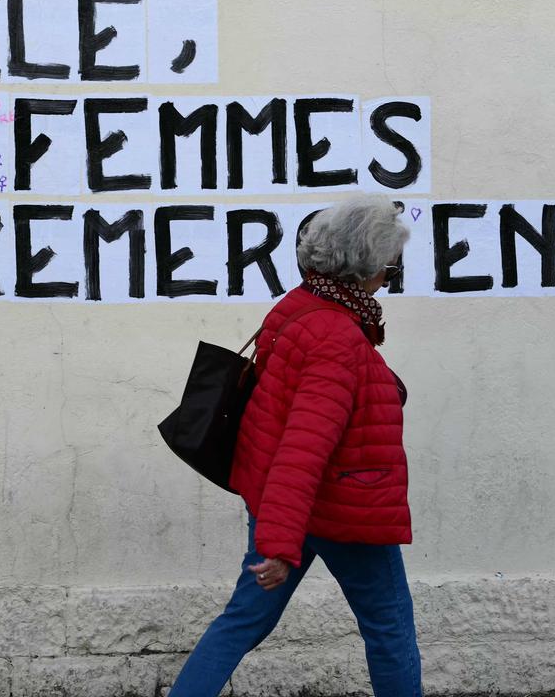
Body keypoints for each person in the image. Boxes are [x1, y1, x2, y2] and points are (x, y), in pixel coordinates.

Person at [170, 195, 421, 696]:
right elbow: (303, 445)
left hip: (280, 501)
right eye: (390, 267)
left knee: (243, 620)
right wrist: (281, 546)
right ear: (363, 267)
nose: (390, 277)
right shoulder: (336, 337)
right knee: (389, 629)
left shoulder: (301, 306)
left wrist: (278, 531)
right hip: (339, 508)